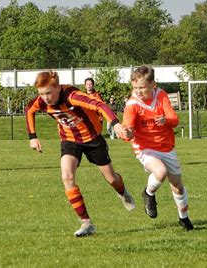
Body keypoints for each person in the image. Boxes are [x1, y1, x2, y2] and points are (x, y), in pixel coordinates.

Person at [26, 71, 135, 237]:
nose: (45, 98)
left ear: (57, 87)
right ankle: (86, 223)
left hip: (92, 139)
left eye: (48, 93)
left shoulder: (72, 96)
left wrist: (115, 124)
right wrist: (32, 137)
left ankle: (122, 191)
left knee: (111, 178)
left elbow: (100, 105)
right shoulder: (41, 102)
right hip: (69, 140)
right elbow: (29, 110)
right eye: (41, 93)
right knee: (67, 177)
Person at [122, 65, 194, 231]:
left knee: (177, 185)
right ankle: (148, 193)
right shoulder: (132, 104)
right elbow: (127, 128)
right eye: (135, 88)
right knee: (160, 172)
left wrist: (165, 120)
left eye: (142, 87)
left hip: (166, 146)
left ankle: (184, 218)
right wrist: (128, 133)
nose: (138, 91)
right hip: (145, 147)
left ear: (153, 84)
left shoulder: (161, 95)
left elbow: (174, 119)